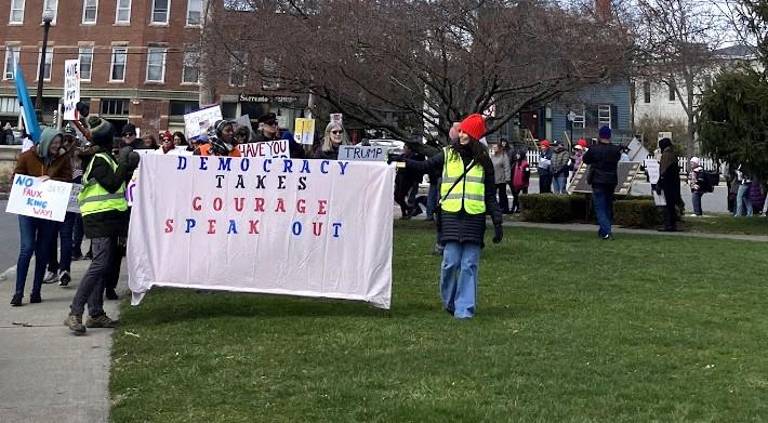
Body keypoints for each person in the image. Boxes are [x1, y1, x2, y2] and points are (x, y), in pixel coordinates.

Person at [396, 113, 503, 319]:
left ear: (474, 136)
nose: (460, 135)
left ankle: (464, 309)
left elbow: (490, 195)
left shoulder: (484, 161)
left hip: (474, 218)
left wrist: (497, 221)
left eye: (465, 132)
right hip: (450, 217)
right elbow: (425, 166)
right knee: (450, 263)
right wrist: (403, 162)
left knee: (469, 265)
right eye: (460, 131)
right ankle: (450, 301)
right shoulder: (447, 154)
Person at [64, 117, 138, 334]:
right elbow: (112, 183)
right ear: (107, 138)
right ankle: (75, 311)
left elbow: (118, 182)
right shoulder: (98, 159)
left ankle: (95, 313)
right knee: (99, 264)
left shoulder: (105, 157)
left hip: (109, 217)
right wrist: (124, 162)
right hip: (99, 218)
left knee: (103, 265)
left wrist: (127, 167)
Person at [10, 127, 72, 306]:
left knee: (43, 250)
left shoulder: (62, 158)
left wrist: (51, 180)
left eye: (59, 143)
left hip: (48, 210)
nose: (57, 146)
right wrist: (34, 182)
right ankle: (18, 292)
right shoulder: (27, 157)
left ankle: (36, 291)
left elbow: (68, 180)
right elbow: (16, 179)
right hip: (28, 209)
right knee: (27, 248)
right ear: (45, 142)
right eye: (54, 143)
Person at [583, 126, 622, 239]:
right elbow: (617, 159)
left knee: (600, 207)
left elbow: (586, 160)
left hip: (598, 180)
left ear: (599, 136)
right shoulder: (615, 150)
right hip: (611, 180)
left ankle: (606, 232)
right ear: (610, 136)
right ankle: (603, 230)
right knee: (608, 206)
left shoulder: (594, 149)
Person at [656, 137, 681, 231]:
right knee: (671, 205)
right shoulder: (673, 154)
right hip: (674, 183)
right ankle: (672, 224)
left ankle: (669, 225)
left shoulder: (666, 155)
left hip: (668, 183)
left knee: (668, 205)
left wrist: (659, 183)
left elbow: (663, 171)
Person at [490, 143, 511, 213]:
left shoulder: (504, 156)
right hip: (494, 179)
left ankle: (504, 208)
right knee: (492, 195)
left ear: (499, 148)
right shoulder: (493, 157)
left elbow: (507, 168)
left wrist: (507, 179)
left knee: (502, 195)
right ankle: (494, 208)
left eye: (495, 147)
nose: (494, 149)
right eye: (493, 147)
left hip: (502, 179)